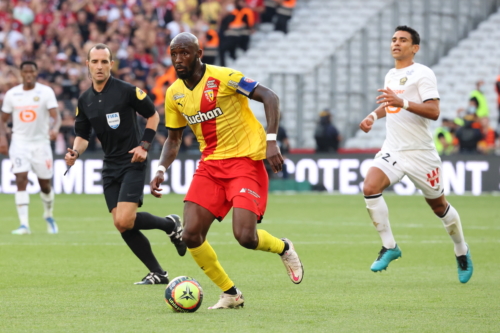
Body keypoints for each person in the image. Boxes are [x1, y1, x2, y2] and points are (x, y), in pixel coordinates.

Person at [150, 32, 304, 309]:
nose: (178, 59)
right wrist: (161, 168)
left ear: (199, 54)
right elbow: (173, 140)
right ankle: (230, 293)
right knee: (190, 234)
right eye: (174, 54)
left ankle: (283, 247)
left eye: (184, 53)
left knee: (245, 237)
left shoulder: (224, 77)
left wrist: (271, 140)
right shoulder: (174, 93)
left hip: (245, 162)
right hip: (210, 166)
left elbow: (270, 97)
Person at [64, 43, 186, 285]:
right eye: (95, 61)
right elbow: (82, 136)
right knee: (122, 225)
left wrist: (144, 145)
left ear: (111, 64)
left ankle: (169, 225)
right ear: (87, 65)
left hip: (133, 159)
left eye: (104, 61)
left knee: (124, 221)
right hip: (109, 165)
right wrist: (75, 152)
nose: (99, 66)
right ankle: (159, 270)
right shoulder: (85, 100)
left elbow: (153, 115)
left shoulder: (127, 91)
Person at [358, 26, 473, 283]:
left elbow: (434, 111)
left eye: (403, 40)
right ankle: (390, 246)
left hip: (421, 153)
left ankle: (461, 250)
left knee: (438, 206)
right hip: (393, 149)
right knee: (370, 187)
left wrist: (403, 103)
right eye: (394, 39)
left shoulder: (423, 73)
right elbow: (391, 104)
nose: (396, 43)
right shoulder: (391, 74)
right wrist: (373, 115)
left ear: (415, 47)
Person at [0, 61, 60, 235]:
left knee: (45, 184)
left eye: (31, 72)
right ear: (21, 73)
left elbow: (56, 117)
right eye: (25, 71)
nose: (28, 74)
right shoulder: (12, 94)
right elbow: (2, 119)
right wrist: (3, 138)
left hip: (41, 143)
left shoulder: (45, 92)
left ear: (36, 73)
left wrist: (55, 129)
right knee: (20, 179)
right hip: (19, 143)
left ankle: (48, 214)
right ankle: (24, 224)